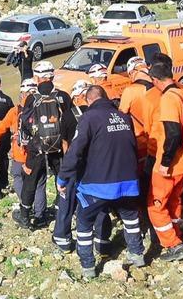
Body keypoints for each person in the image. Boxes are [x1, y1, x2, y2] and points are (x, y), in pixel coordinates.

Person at [57, 85, 145, 279]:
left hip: (97, 184)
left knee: (84, 221)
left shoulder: (89, 118)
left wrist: (63, 176)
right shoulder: (123, 117)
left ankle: (88, 266)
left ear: (89, 101)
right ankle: (137, 254)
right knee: (130, 217)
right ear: (105, 97)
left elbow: (75, 150)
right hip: (127, 181)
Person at [51, 78, 113, 255]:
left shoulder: (69, 115)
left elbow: (65, 144)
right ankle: (102, 241)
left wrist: (67, 165)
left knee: (66, 201)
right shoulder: (102, 113)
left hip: (75, 165)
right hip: (97, 165)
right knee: (100, 204)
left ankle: (63, 239)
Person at [15, 61, 76, 230]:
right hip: (59, 148)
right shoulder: (63, 96)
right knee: (62, 179)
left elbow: (25, 124)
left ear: (37, 77)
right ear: (52, 76)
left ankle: (25, 216)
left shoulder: (31, 98)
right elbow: (71, 121)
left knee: (31, 181)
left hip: (37, 149)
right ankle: (62, 211)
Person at [145, 62, 183, 261]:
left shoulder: (168, 99)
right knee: (174, 200)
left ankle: (173, 245)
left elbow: (172, 133)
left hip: (171, 163)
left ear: (155, 80)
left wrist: (164, 162)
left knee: (155, 206)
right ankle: (176, 233)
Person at [0, 80, 47, 217]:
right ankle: (40, 214)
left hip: (21, 154)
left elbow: (2, 126)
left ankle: (25, 208)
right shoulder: (44, 108)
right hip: (39, 154)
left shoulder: (15, 111)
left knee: (18, 178)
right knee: (39, 184)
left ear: (22, 94)